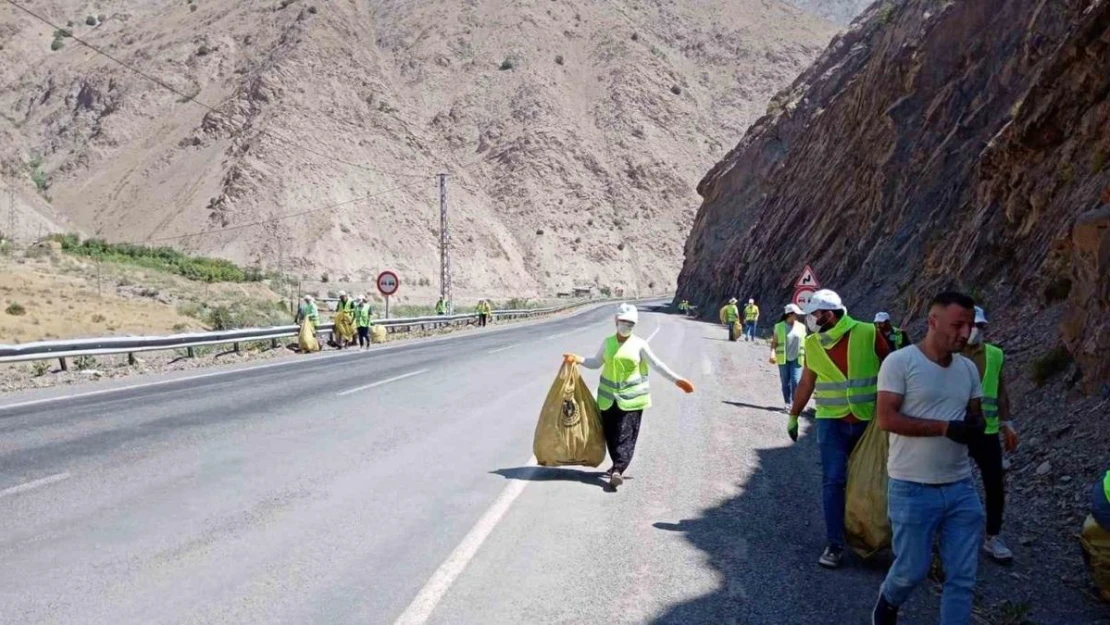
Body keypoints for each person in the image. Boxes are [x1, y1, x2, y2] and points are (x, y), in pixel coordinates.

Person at [871, 292, 987, 625]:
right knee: (912, 569)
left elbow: (975, 415)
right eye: (958, 325)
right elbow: (886, 419)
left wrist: (977, 425)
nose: (966, 333)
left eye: (970, 326)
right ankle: (889, 600)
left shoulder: (967, 369)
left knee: (963, 579)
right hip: (911, 487)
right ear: (933, 321)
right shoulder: (900, 363)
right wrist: (944, 427)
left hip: (960, 487)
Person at [787, 289, 891, 568]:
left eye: (814, 315)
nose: (810, 320)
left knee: (869, 480)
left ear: (829, 315)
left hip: (868, 422)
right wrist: (794, 415)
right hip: (831, 421)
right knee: (833, 481)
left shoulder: (868, 332)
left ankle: (871, 537)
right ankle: (835, 544)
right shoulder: (812, 344)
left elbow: (893, 366)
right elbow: (807, 382)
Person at [563, 303, 694, 490]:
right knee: (610, 435)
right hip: (607, 400)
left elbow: (657, 365)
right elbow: (596, 362)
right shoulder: (608, 343)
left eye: (631, 324)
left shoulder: (640, 345)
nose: (626, 326)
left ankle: (618, 470)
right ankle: (616, 464)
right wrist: (578, 359)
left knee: (625, 436)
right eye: (624, 322)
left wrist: (677, 380)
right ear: (616, 320)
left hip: (632, 400)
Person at [962, 306, 1018, 563]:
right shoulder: (949, 353)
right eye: (973, 325)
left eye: (981, 326)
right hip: (955, 429)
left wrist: (1008, 423)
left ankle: (993, 536)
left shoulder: (995, 354)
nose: (977, 330)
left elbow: (1001, 391)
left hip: (987, 432)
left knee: (995, 483)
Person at [769, 304, 807, 411]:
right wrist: (772, 353)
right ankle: (787, 403)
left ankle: (795, 403)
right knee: (785, 382)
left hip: (797, 358)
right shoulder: (779, 326)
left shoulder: (802, 327)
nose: (798, 316)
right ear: (790, 314)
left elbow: (806, 343)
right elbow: (774, 342)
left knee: (795, 381)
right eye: (796, 314)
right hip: (783, 359)